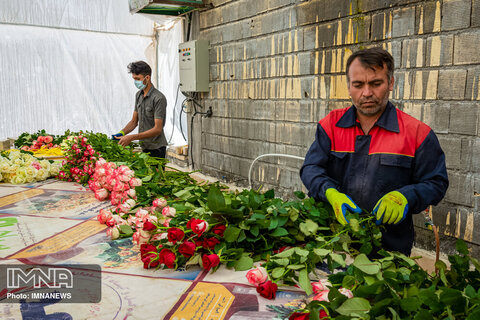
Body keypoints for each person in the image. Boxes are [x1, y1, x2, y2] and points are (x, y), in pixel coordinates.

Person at [300, 47, 448, 256]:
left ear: (390, 84)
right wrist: (329, 193)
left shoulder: (417, 134)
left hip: (389, 250)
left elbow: (436, 183)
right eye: (358, 85)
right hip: (332, 244)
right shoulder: (330, 125)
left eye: (376, 83)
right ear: (349, 86)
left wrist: (405, 196)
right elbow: (310, 168)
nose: (367, 93)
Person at [112, 61, 167, 158]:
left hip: (156, 148)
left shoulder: (159, 98)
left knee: (156, 172)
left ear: (147, 78)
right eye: (134, 79)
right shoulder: (138, 95)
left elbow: (157, 129)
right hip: (144, 145)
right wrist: (121, 133)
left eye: (138, 79)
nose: (136, 82)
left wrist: (132, 137)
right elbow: (134, 121)